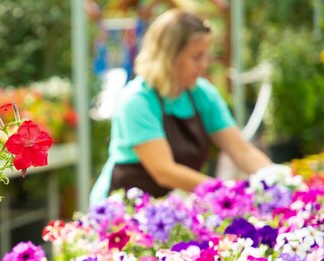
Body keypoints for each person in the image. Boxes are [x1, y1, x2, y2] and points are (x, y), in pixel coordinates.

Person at [90, 8, 272, 204]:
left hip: (164, 209)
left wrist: (277, 178)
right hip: (119, 210)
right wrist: (225, 193)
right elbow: (165, 171)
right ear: (168, 57)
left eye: (206, 56)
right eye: (196, 57)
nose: (204, 65)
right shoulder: (137, 101)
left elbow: (243, 152)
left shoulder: (202, 94)